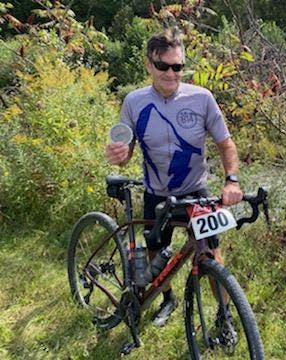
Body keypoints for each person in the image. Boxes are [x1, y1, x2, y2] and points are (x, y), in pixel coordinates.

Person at [105, 28, 242, 327]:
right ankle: (167, 298)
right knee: (156, 254)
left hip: (195, 191)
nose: (170, 73)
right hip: (157, 193)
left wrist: (232, 180)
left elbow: (225, 143)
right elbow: (127, 150)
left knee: (211, 252)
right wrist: (120, 154)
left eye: (177, 66)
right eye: (162, 66)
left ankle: (225, 316)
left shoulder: (202, 98)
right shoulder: (134, 102)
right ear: (148, 65)